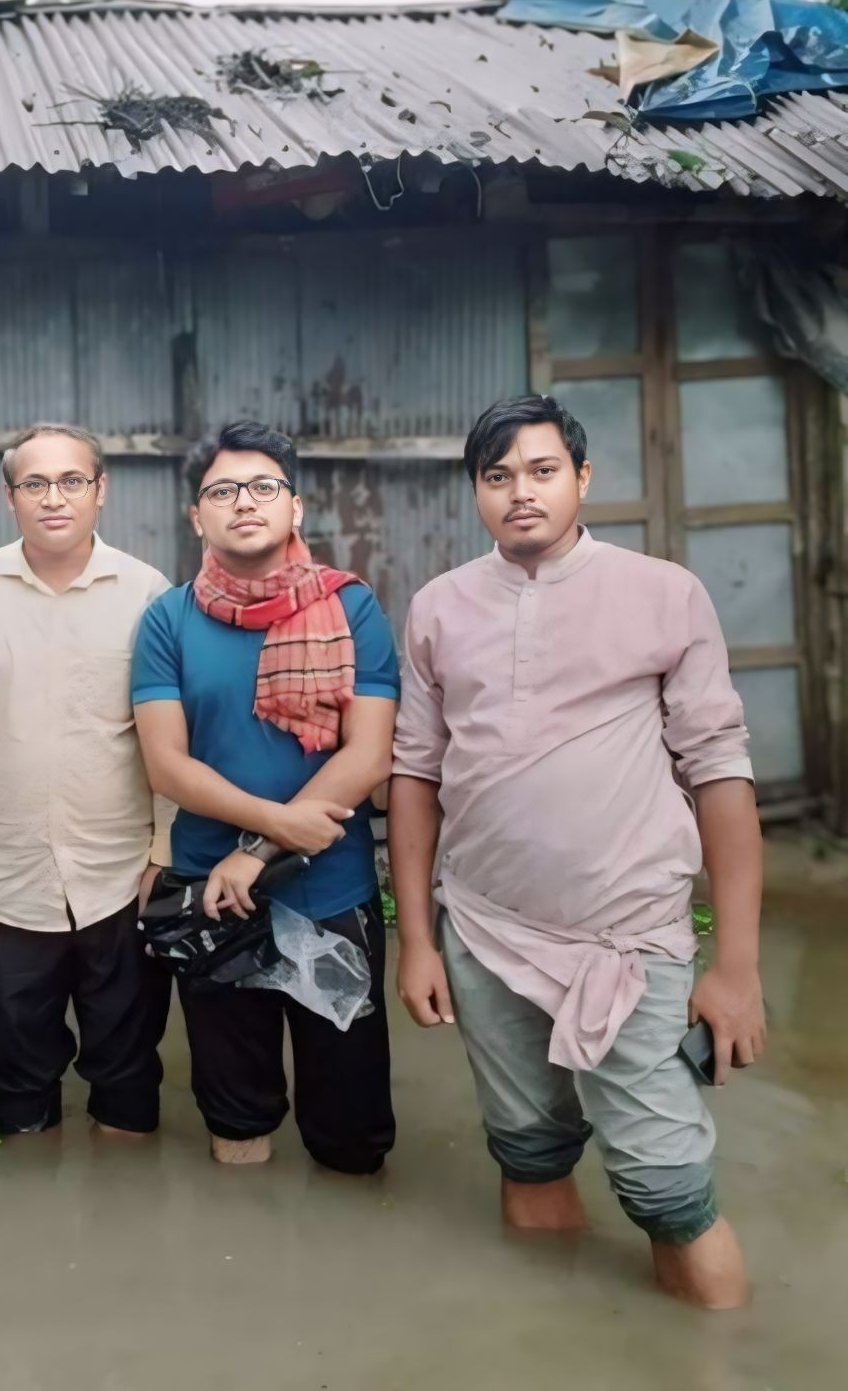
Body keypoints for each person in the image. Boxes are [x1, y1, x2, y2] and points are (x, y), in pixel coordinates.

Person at [389, 395, 765, 1310]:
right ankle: (553, 1340)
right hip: (483, 927)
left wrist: (739, 965)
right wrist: (420, 940)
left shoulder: (663, 591)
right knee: (528, 1148)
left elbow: (719, 772)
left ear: (583, 478)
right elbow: (414, 776)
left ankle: (719, 1356)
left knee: (669, 1188)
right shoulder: (440, 606)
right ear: (476, 491)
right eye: (498, 475)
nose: (521, 492)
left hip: (627, 936)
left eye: (542, 470)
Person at [132, 421, 400, 1171]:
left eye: (262, 487)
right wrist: (273, 826)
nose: (242, 503)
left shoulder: (352, 608)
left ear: (296, 506)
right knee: (236, 1128)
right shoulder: (168, 619)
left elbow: (370, 754)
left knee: (352, 1141)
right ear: (198, 516)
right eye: (221, 491)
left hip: (332, 891)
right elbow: (167, 766)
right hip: (213, 902)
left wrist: (257, 852)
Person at [0, 424, 173, 1137]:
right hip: (5, 878)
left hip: (119, 875)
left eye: (71, 481)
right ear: (10, 496)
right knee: (17, 1075)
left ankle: (120, 1211)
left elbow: (168, 739)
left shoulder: (147, 591)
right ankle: (29, 1210)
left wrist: (165, 853)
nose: (53, 498)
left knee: (128, 1069)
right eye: (35, 483)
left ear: (101, 491)